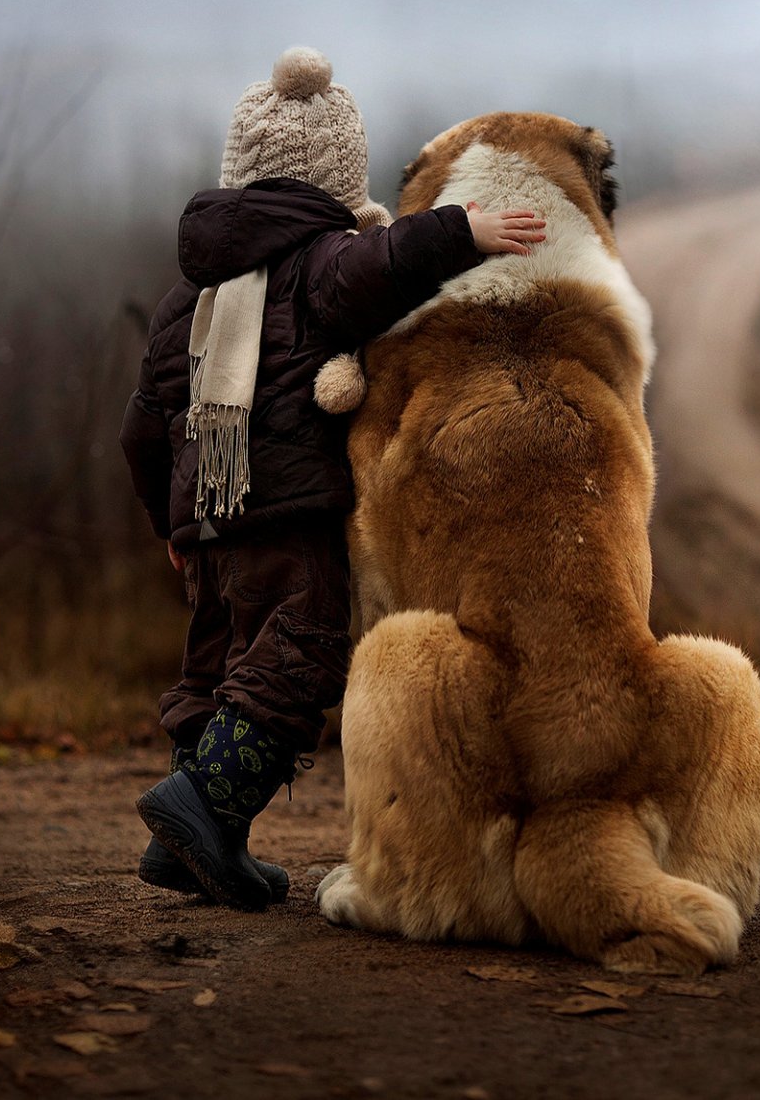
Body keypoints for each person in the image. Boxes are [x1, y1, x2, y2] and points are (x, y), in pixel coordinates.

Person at [121, 46, 546, 908]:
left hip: (204, 524)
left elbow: (142, 428)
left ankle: (197, 844)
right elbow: (380, 265)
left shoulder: (185, 301)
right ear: (334, 179)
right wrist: (465, 230)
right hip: (285, 515)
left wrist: (171, 524)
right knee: (299, 660)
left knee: (218, 670)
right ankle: (202, 806)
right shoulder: (317, 265)